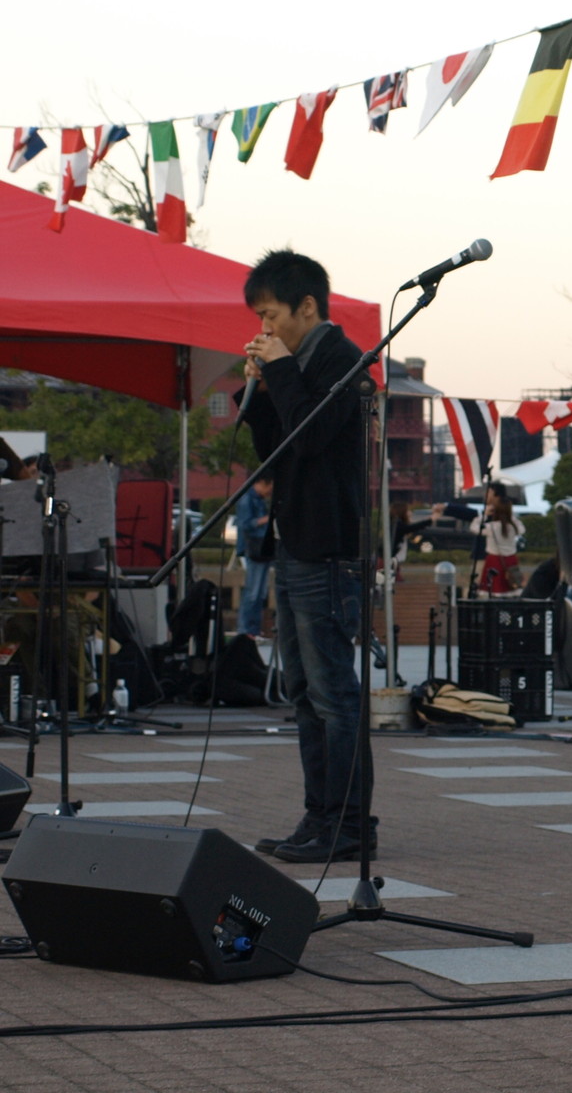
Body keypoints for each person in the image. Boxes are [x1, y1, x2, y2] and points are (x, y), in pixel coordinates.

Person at [237, 249, 374, 866]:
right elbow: (277, 449)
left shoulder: (343, 361)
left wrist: (282, 371)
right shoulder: (295, 366)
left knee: (333, 694)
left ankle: (349, 824)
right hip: (295, 545)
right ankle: (318, 815)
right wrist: (263, 388)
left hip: (329, 549)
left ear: (307, 306)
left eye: (271, 316)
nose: (265, 328)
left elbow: (313, 435)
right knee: (300, 691)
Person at [234, 474, 275, 638]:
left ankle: (254, 629)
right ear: (262, 483)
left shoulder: (258, 499)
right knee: (253, 591)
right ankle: (246, 629)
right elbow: (245, 524)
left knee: (260, 593)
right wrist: (265, 520)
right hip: (254, 549)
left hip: (262, 549)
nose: (270, 491)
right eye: (269, 487)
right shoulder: (247, 499)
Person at [472, 482, 524, 595]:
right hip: (511, 560)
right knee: (510, 590)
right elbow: (522, 529)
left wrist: (484, 515)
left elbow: (474, 528)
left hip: (494, 560)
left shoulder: (492, 527)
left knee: (492, 590)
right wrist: (510, 515)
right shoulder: (513, 527)